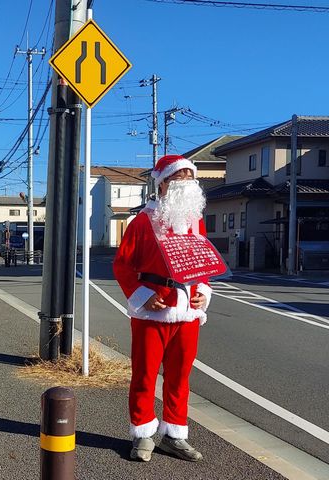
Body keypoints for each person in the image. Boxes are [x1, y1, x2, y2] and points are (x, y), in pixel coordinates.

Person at [113, 154, 217, 463]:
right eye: (178, 177)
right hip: (152, 311)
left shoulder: (195, 221)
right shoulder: (143, 221)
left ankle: (175, 435)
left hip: (187, 310)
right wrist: (142, 294)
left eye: (190, 177)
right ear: (163, 184)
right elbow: (122, 265)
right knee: (144, 375)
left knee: (180, 377)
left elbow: (202, 263)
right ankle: (143, 435)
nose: (186, 182)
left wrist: (204, 291)